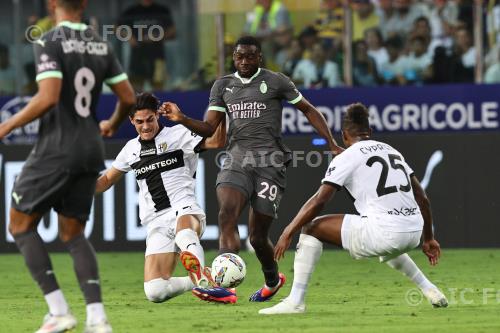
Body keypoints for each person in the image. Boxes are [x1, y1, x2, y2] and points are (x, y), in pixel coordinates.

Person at [161, 35, 343, 304]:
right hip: (236, 159)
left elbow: (308, 109)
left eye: (249, 56)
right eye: (239, 56)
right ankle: (224, 286)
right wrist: (182, 118)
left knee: (257, 236)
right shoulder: (223, 85)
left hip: (270, 163)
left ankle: (272, 279)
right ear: (233, 58)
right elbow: (210, 128)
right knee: (226, 214)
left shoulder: (276, 81)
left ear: (259, 58)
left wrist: (331, 144)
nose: (243, 61)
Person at [0, 0, 136, 332]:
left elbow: (47, 96)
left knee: (19, 226)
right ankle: (97, 318)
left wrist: (6, 126)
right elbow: (129, 97)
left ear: (52, 4)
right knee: (73, 234)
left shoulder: (49, 39)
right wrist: (113, 123)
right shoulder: (100, 42)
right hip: (91, 148)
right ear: (85, 4)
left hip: (57, 148)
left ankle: (59, 311)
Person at [259, 103, 448, 315]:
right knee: (384, 238)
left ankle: (295, 301)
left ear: (344, 135)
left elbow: (320, 200)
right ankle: (429, 288)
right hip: (413, 232)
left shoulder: (347, 157)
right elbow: (422, 197)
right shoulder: (391, 150)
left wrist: (289, 230)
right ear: (371, 132)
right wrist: (429, 238)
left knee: (311, 228)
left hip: (386, 232)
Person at [95, 92, 227, 303]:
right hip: (156, 220)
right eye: (139, 122)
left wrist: (221, 106)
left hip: (184, 207)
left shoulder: (179, 134)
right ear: (131, 121)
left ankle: (203, 282)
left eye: (150, 119)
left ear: (157, 115)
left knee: (184, 235)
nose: (145, 126)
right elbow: (105, 181)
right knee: (155, 291)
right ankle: (201, 279)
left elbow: (218, 140)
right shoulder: (130, 149)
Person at [118, 0, 176, 91]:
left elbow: (172, 31)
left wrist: (158, 37)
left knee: (159, 89)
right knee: (135, 90)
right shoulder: (131, 11)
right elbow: (116, 27)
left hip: (157, 57)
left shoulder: (162, 10)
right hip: (137, 56)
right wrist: (129, 37)